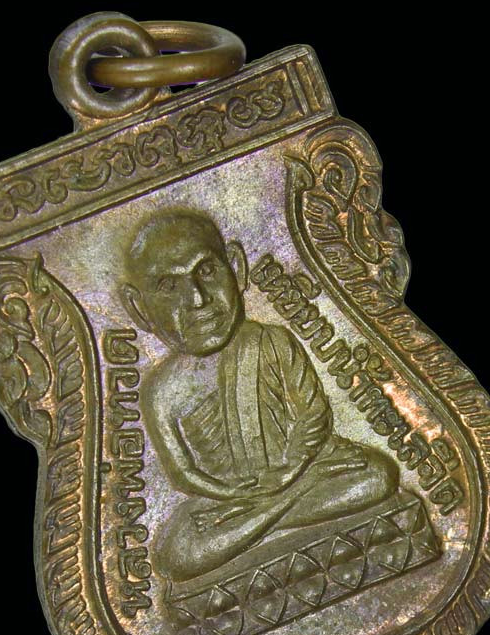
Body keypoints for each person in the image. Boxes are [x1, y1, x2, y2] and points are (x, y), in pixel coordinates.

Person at [120, 208, 399, 582]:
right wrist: (233, 493)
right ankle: (279, 509)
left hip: (299, 471)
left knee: (378, 474)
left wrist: (290, 470)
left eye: (207, 270)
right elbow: (182, 473)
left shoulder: (271, 341)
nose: (198, 299)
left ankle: (268, 516)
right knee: (178, 553)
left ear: (236, 268)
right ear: (139, 309)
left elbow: (313, 415)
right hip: (230, 499)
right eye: (169, 286)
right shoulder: (160, 391)